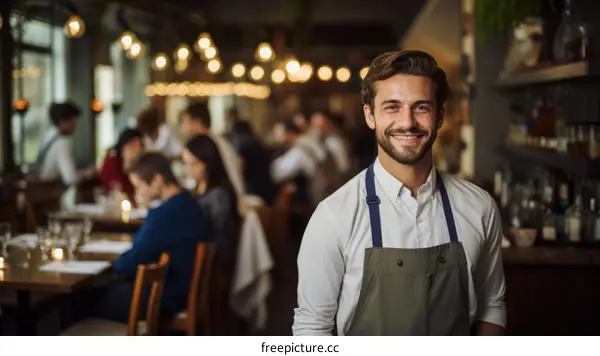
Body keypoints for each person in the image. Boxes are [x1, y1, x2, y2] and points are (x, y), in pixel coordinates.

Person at [293, 50, 506, 336]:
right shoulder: (334, 216)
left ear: (440, 115)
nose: (407, 122)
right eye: (392, 107)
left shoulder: (479, 207)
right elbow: (311, 330)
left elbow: (491, 305)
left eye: (421, 107)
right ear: (370, 115)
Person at [78, 152, 212, 324]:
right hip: (183, 290)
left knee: (78, 300)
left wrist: (114, 265)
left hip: (165, 297)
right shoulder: (188, 202)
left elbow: (129, 262)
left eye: (139, 185)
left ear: (157, 180)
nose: (137, 192)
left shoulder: (164, 215)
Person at [182, 134, 241, 267]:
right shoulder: (196, 189)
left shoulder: (217, 196)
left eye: (194, 164)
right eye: (186, 163)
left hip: (208, 264)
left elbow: (221, 241)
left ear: (208, 162)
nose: (189, 169)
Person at [180, 102, 246, 199]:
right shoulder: (213, 141)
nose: (182, 128)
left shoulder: (213, 144)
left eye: (184, 122)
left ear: (197, 122)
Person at [34, 102, 94, 184]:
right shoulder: (61, 141)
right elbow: (70, 178)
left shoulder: (49, 134)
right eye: (72, 121)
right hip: (48, 191)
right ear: (63, 122)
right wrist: (87, 174)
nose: (75, 126)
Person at [227, 120, 277, 205]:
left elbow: (238, 168)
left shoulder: (243, 144)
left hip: (256, 193)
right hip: (268, 190)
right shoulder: (257, 142)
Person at [98, 128, 143, 197]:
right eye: (133, 145)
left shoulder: (142, 162)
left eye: (139, 145)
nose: (137, 149)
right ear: (123, 147)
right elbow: (116, 187)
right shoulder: (112, 160)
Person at [310, 110, 352, 177]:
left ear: (327, 124)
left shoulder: (334, 141)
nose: (315, 130)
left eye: (319, 126)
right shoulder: (320, 139)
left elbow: (343, 167)